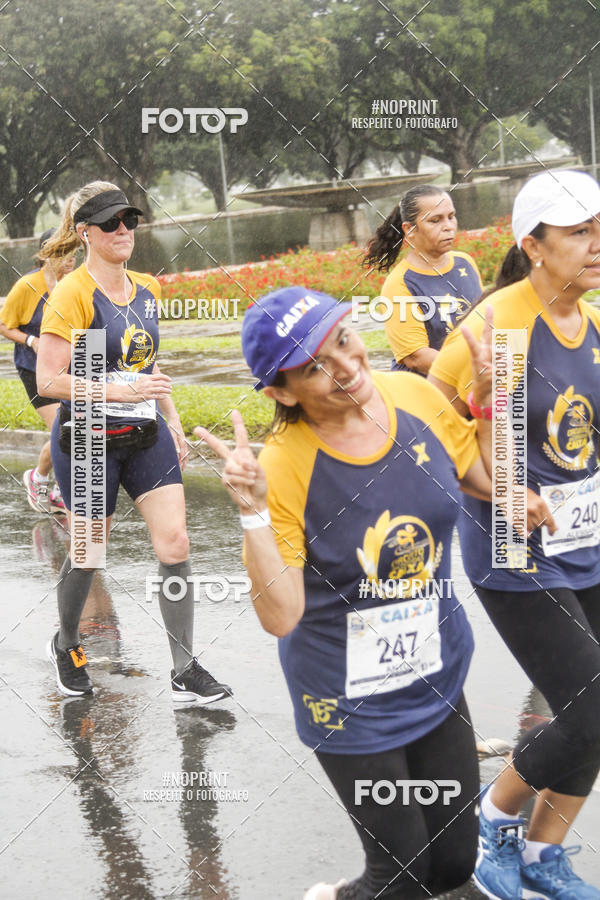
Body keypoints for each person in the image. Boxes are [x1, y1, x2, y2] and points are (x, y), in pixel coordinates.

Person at [196, 286, 494, 899]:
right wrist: (252, 513)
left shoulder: (413, 395)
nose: (345, 365)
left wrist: (490, 404)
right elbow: (281, 617)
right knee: (404, 878)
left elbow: (490, 486)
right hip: (347, 699)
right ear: (282, 392)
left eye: (344, 339)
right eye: (314, 367)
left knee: (457, 865)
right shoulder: (281, 466)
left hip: (435, 670)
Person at [429, 169, 600, 900]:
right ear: (533, 246)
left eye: (599, 228)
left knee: (588, 714)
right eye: (579, 233)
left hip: (586, 539)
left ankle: (540, 855)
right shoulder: (497, 325)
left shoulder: (593, 321)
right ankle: (491, 822)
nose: (596, 245)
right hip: (514, 548)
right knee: (595, 701)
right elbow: (432, 425)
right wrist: (499, 489)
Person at [36, 179, 231, 705]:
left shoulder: (147, 288)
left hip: (145, 435)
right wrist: (119, 389)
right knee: (89, 552)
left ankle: (184, 668)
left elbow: (143, 361)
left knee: (176, 544)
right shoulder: (73, 294)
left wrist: (170, 415)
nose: (123, 231)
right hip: (90, 440)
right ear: (86, 234)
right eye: (110, 224)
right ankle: (69, 642)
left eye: (130, 222)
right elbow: (49, 381)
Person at [363, 184, 482, 374]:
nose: (448, 227)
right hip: (424, 395)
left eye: (451, 217)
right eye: (435, 220)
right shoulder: (400, 284)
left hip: (471, 386)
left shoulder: (465, 263)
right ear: (409, 229)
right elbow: (417, 358)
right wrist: (478, 365)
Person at [0, 229, 75, 513]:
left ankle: (57, 488)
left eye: (73, 251)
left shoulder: (74, 284)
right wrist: (32, 341)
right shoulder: (26, 286)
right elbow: (4, 325)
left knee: (76, 428)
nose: (70, 258)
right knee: (65, 428)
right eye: (63, 251)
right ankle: (39, 477)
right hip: (34, 368)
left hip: (68, 366)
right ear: (46, 254)